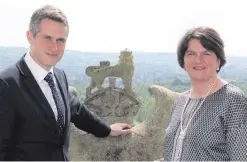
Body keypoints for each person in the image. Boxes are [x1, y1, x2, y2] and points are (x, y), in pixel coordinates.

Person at [0, 5, 132, 161]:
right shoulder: (6, 84)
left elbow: (76, 109)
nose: (54, 47)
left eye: (60, 40)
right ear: (30, 37)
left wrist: (107, 129)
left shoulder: (59, 76)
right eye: (47, 38)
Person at [163, 27, 247, 161]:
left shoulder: (233, 100)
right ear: (183, 63)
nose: (198, 60)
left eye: (206, 53)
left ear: (218, 61)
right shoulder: (180, 102)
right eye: (191, 54)